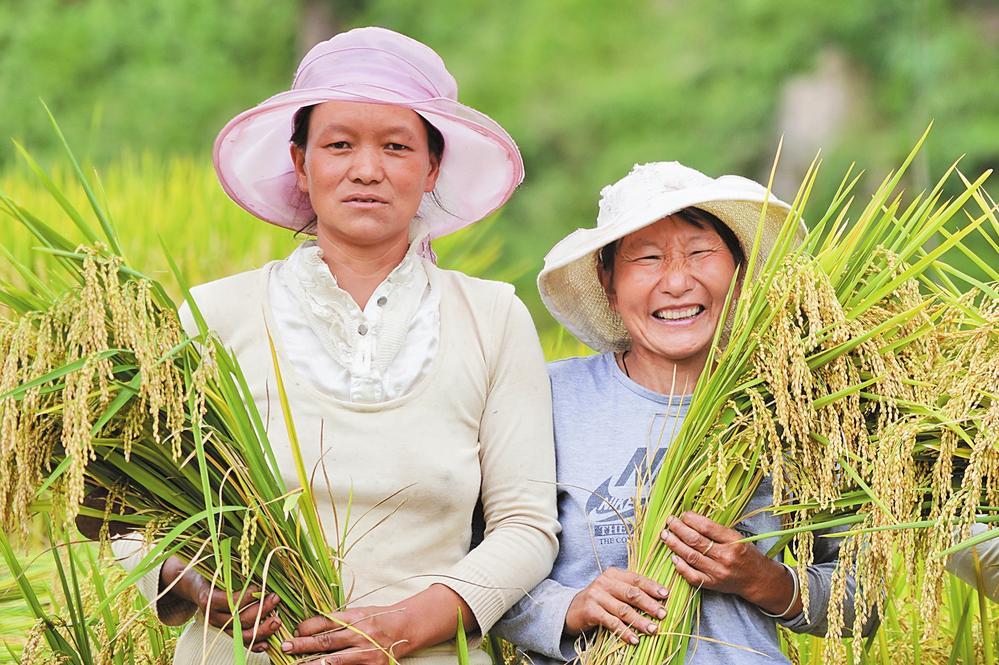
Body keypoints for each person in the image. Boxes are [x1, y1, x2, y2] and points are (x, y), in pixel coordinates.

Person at [109, 27, 559, 665]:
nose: (367, 169)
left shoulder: (492, 317)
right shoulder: (215, 316)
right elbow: (136, 510)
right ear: (300, 163)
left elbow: (526, 527)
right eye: (339, 144)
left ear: (433, 167)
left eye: (397, 146)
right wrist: (197, 586)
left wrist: (407, 625)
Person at [491, 162, 878, 663]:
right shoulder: (546, 397)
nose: (677, 281)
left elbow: (861, 602)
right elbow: (481, 570)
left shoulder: (796, 407)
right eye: (648, 258)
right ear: (609, 282)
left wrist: (761, 578)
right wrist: (572, 606)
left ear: (739, 272)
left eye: (700, 253)